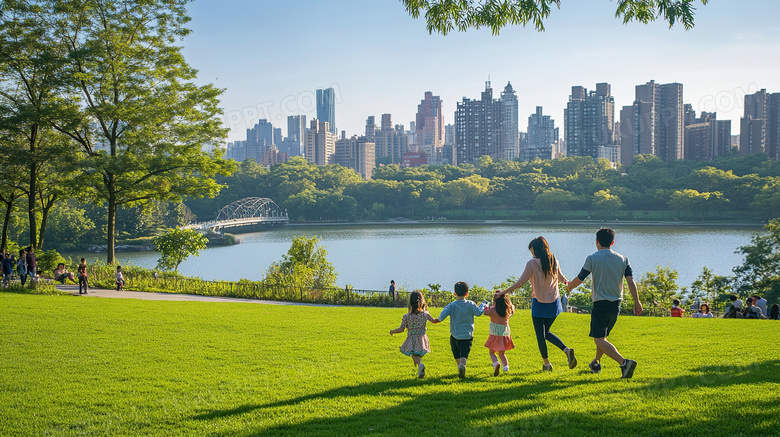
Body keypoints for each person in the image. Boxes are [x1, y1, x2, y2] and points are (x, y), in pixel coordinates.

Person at [566, 228, 642, 379]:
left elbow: (580, 278)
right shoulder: (623, 259)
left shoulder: (592, 258)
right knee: (603, 337)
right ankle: (596, 362)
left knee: (599, 339)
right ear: (612, 242)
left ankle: (624, 363)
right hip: (616, 304)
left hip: (600, 304)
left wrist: (569, 286)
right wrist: (637, 301)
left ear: (597, 242)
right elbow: (630, 281)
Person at [496, 236, 576, 371]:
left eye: (531, 250)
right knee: (546, 332)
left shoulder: (532, 264)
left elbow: (520, 283)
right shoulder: (553, 260)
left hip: (539, 304)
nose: (531, 253)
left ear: (536, 249)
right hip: (554, 304)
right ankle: (566, 351)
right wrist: (570, 285)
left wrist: (504, 292)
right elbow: (562, 279)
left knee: (541, 335)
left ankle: (547, 364)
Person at [434, 281, 485, 379]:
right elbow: (478, 313)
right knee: (464, 353)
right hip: (467, 335)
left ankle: (459, 366)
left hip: (455, 334)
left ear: (455, 294)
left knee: (456, 351)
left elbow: (442, 315)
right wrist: (483, 305)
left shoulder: (451, 305)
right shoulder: (471, 304)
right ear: (467, 293)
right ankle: (462, 365)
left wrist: (438, 320)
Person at [389, 291, 438, 378]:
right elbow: (434, 321)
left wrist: (393, 331)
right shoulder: (425, 314)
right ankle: (420, 368)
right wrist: (441, 318)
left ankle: (420, 365)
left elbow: (402, 329)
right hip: (422, 338)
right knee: (417, 354)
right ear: (422, 301)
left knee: (414, 355)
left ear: (411, 303)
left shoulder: (407, 316)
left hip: (412, 338)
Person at [482, 293, 515, 376]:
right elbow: (513, 311)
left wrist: (487, 306)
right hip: (504, 335)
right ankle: (506, 368)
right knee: (502, 354)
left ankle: (496, 363)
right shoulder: (507, 311)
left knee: (492, 352)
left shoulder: (492, 311)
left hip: (494, 335)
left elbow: (485, 312)